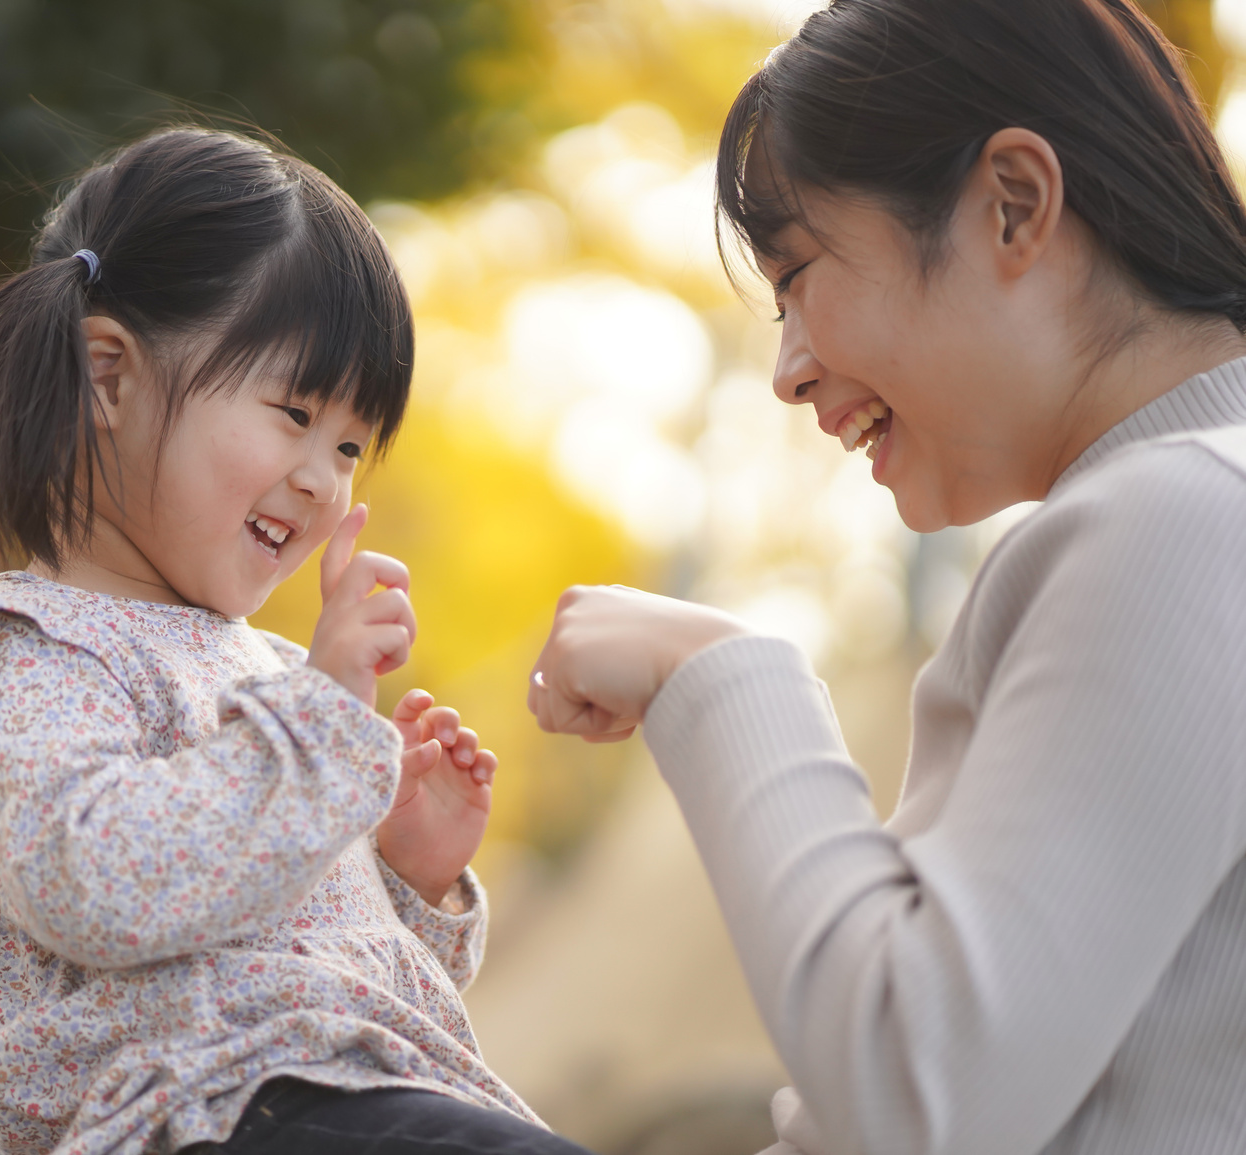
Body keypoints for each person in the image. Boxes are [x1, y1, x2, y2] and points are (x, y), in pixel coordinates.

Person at [527, 2, 1246, 1153]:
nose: (788, 371)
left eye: (799, 273)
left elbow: (922, 1089)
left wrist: (726, 676)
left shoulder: (1185, 515)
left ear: (1013, 205)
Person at [0, 128, 590, 1155]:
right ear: (109, 379)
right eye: (293, 412)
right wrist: (319, 718)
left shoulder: (268, 675)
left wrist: (405, 881)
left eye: (350, 444)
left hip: (300, 1098)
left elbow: (323, 995)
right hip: (186, 1112)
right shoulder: (36, 651)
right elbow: (103, 886)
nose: (321, 475)